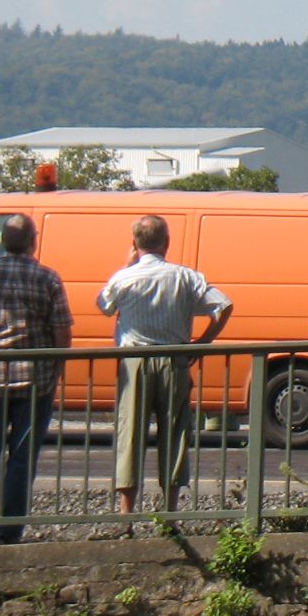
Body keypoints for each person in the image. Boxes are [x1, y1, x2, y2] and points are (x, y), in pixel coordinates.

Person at [96, 216, 233, 515]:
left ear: (134, 244)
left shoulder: (125, 277)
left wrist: (127, 265)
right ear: (167, 242)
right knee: (174, 433)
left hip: (135, 361)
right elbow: (224, 305)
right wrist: (203, 342)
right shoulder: (185, 277)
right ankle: (169, 513)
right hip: (174, 360)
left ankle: (126, 514)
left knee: (130, 433)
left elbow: (104, 305)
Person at [0, 215, 72, 544]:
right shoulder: (47, 278)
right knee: (21, 459)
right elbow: (62, 332)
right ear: (33, 241)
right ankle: (9, 532)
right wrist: (56, 368)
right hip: (36, 382)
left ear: (2, 241)